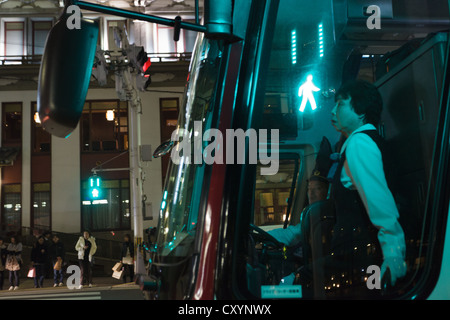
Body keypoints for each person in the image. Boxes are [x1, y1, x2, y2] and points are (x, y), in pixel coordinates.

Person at [325, 79, 406, 294]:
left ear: (360, 112)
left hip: (360, 257)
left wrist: (393, 254)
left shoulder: (359, 143)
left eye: (340, 104)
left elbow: (379, 201)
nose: (333, 110)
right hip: (360, 255)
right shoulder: (361, 142)